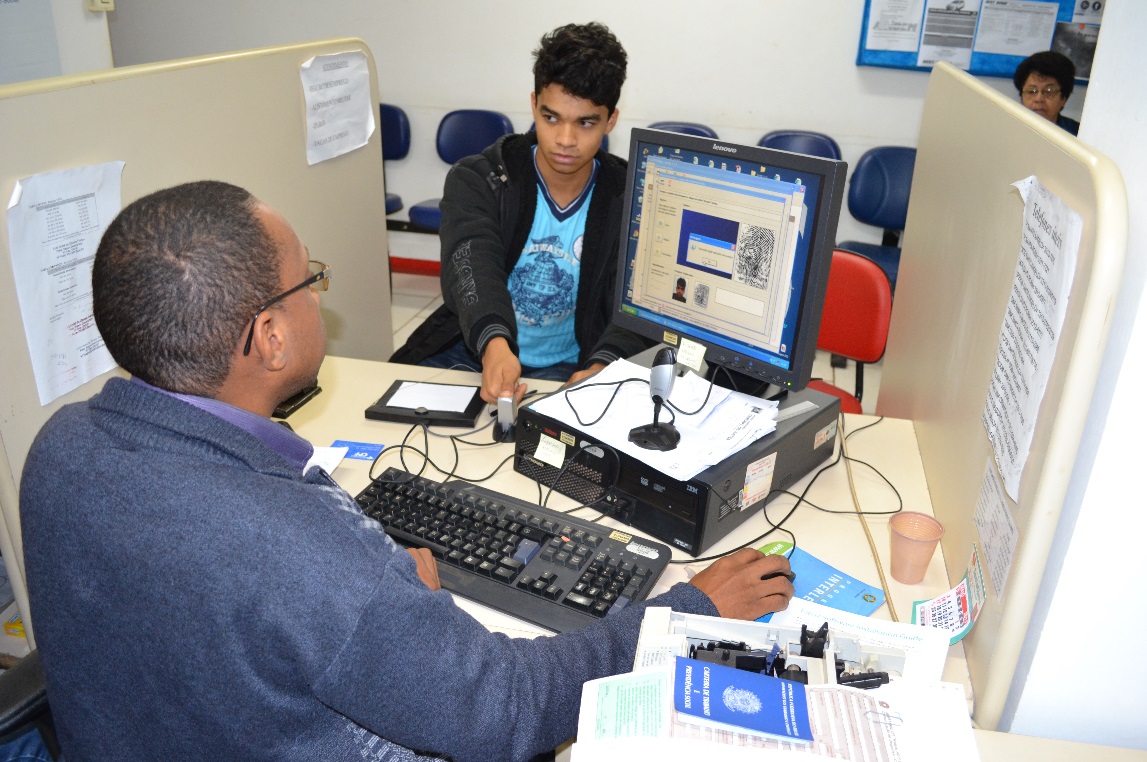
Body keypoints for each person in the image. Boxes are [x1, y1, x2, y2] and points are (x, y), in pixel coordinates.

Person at [19, 180, 795, 761]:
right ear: (270, 338)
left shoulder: (59, 450)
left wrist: (387, 615)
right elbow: (507, 712)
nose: (317, 297)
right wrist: (683, 610)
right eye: (307, 281)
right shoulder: (295, 550)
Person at [390, 22, 650, 404]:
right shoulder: (480, 178)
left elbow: (634, 306)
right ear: (533, 104)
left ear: (611, 119)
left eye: (585, 123)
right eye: (551, 118)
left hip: (572, 365)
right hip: (474, 348)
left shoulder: (631, 198)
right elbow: (472, 263)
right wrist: (494, 345)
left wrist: (600, 370)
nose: (565, 139)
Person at [1013, 50, 1079, 135]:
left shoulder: (1079, 135)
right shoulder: (1005, 129)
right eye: (1032, 91)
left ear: (1063, 99)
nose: (1039, 99)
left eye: (1049, 91)